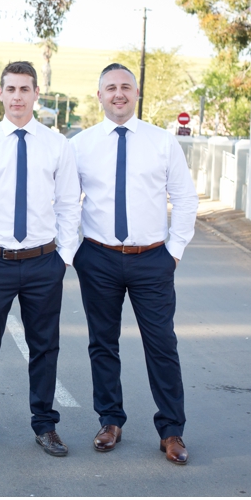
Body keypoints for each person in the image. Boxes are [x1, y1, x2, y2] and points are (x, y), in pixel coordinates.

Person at [69, 63, 198, 465]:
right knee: (102, 344)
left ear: (136, 93)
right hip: (98, 258)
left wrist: (174, 251)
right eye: (110, 87)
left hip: (152, 259)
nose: (118, 93)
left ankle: (171, 430)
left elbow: (185, 198)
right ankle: (110, 421)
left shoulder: (162, 142)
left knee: (162, 345)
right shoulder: (80, 145)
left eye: (125, 86)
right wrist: (74, 252)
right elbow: (65, 203)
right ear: (100, 96)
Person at [0, 61, 81, 457]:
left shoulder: (57, 145)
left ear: (36, 94)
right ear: (1, 93)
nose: (17, 97)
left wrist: (64, 257)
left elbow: (69, 204)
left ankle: (45, 426)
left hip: (44, 262)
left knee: (44, 347)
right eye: (11, 89)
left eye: (25, 89)